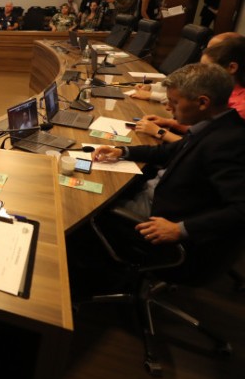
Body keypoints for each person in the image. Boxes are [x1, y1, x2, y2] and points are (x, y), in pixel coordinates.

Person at [92, 63, 245, 251]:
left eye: (175, 102)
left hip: (157, 217)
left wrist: (180, 229)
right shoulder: (215, 124)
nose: (167, 107)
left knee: (89, 211)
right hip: (157, 195)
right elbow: (170, 151)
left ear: (203, 102)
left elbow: (240, 209)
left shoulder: (227, 143)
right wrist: (123, 151)